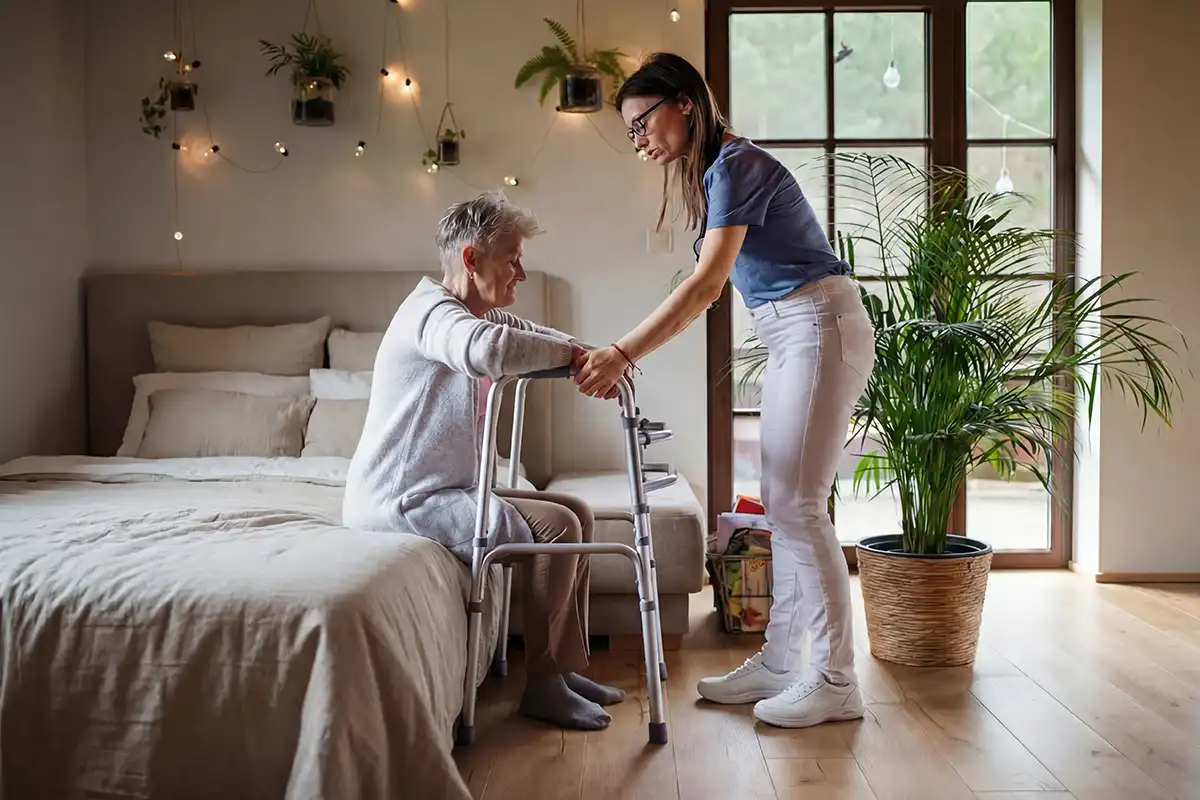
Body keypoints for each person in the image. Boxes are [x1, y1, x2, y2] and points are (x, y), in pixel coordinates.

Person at [573, 53, 876, 729]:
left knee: (799, 507)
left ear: (683, 102)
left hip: (819, 324)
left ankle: (834, 678)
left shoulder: (736, 164)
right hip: (797, 330)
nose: (639, 140)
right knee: (788, 505)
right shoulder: (717, 173)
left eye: (642, 122)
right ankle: (779, 662)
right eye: (629, 133)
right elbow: (708, 289)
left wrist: (623, 350)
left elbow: (707, 286)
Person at [342, 191, 627, 731]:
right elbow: (489, 351)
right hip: (403, 499)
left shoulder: (472, 310)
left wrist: (590, 354)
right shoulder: (432, 315)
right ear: (472, 261)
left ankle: (563, 670)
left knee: (576, 512)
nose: (522, 271)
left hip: (446, 486)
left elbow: (528, 335)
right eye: (512, 258)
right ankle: (541, 684)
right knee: (560, 528)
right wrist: (575, 358)